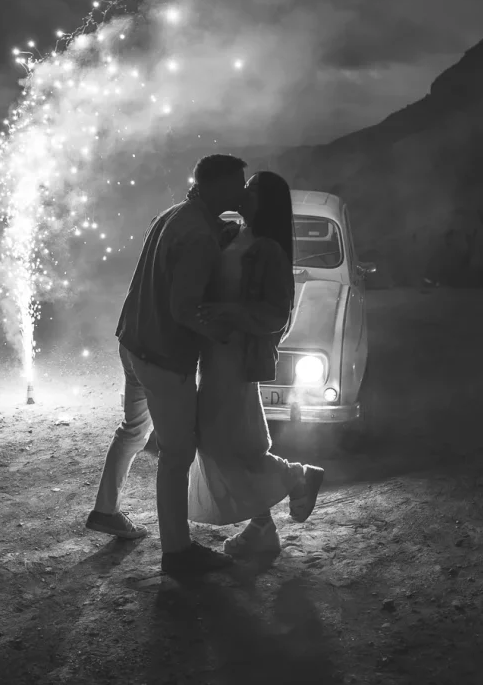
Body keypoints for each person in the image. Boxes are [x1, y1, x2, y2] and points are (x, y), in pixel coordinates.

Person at [86, 153, 247, 577]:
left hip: (132, 341)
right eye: (237, 184)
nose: (243, 191)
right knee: (177, 453)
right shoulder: (200, 236)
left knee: (133, 430)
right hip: (162, 355)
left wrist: (219, 238)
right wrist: (225, 335)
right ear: (216, 186)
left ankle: (106, 510)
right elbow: (183, 308)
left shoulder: (172, 215)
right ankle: (177, 551)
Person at [188, 171, 324, 559]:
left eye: (250, 190)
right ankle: (263, 525)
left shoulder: (269, 251)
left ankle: (295, 477)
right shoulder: (234, 234)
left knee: (216, 440)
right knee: (238, 440)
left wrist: (228, 312)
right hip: (217, 354)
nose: (242, 193)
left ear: (264, 203)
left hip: (236, 357)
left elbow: (277, 315)